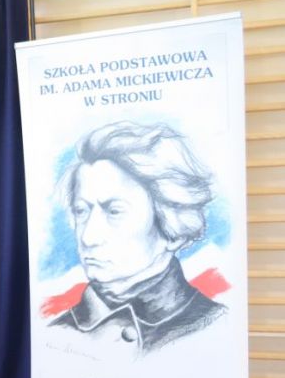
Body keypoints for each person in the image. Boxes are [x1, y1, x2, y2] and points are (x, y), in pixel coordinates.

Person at [50, 121, 226, 352]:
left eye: (114, 211)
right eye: (81, 211)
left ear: (172, 231)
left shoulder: (217, 328)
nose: (88, 237)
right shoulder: (53, 336)